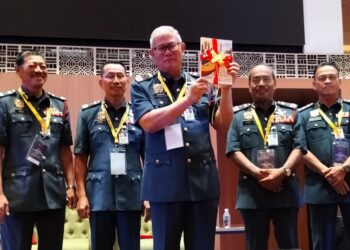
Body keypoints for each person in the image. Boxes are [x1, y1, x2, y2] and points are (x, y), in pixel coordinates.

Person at [131, 25, 239, 250]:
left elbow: (223, 124)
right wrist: (188, 99)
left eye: (171, 46)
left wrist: (227, 88)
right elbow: (149, 123)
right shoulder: (142, 86)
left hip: (203, 183)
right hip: (164, 185)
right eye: (160, 48)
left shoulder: (203, 83)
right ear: (152, 54)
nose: (166, 51)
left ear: (182, 48)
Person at [0, 50, 76, 250]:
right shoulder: (5, 104)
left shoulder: (59, 105)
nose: (39, 70)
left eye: (43, 66)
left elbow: (65, 150)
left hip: (53, 193)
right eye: (32, 66)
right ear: (18, 71)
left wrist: (70, 186)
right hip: (18, 194)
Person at [226, 64, 305, 250]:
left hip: (285, 191)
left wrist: (282, 172)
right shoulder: (238, 116)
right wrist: (258, 173)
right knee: (255, 246)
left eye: (266, 79)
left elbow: (300, 147)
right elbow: (232, 150)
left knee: (290, 245)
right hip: (252, 193)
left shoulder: (292, 113)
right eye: (255, 80)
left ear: (275, 83)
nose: (261, 84)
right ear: (249, 86)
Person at [74, 62, 149, 250]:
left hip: (132, 195)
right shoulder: (88, 114)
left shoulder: (140, 114)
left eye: (120, 76)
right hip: (99, 195)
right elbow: (81, 157)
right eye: (110, 76)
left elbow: (148, 157)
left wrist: (148, 195)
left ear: (127, 81)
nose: (116, 80)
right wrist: (81, 195)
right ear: (101, 82)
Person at [300, 61, 350, 250]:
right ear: (314, 84)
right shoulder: (303, 115)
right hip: (319, 186)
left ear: (339, 82)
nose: (327, 81)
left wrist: (344, 169)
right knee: (321, 243)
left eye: (332, 77)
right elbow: (300, 148)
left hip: (349, 180)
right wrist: (329, 173)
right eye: (322, 78)